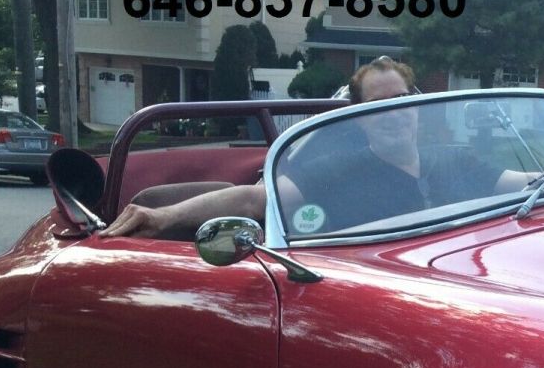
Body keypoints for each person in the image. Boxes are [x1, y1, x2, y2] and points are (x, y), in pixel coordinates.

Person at [101, 56, 421, 239]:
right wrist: (161, 216)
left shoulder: (457, 161)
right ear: (359, 118)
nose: (394, 112)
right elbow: (255, 199)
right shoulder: (342, 169)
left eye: (402, 100)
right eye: (377, 105)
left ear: (417, 105)